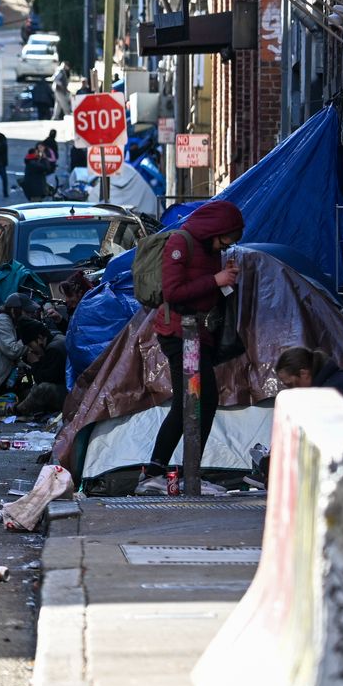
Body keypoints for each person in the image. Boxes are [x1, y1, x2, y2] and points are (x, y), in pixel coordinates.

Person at [139, 201, 243, 494]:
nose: (227, 245)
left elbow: (209, 290)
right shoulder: (180, 243)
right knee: (193, 401)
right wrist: (216, 279)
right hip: (179, 335)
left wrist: (226, 281)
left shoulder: (212, 251)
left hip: (200, 335)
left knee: (200, 401)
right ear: (216, 230)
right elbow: (173, 292)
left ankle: (181, 471)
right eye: (227, 238)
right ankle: (161, 472)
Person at [275, 347, 343, 420]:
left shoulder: (329, 394)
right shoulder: (341, 379)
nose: (291, 390)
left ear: (304, 373)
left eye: (291, 384)